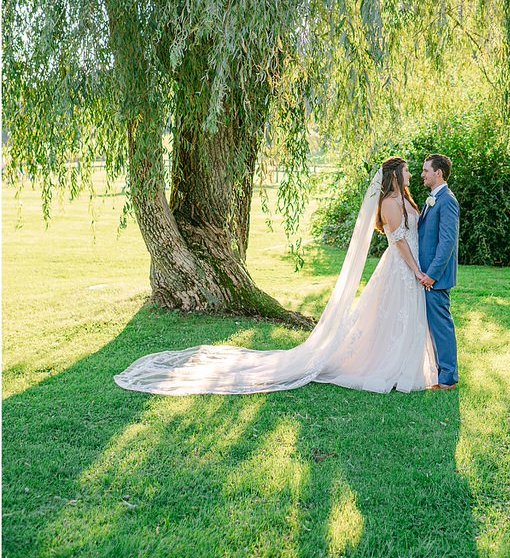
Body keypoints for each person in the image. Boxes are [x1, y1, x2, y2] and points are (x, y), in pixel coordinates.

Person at [113, 156, 449, 395]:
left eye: (414, 171)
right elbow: (399, 240)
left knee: (398, 320)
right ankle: (386, 367)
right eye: (407, 171)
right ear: (394, 176)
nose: (411, 175)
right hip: (401, 267)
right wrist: (416, 269)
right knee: (389, 319)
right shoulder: (390, 202)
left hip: (410, 270)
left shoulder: (406, 198)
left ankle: (409, 367)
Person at [418, 153, 460, 389]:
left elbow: (447, 243)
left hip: (436, 278)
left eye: (426, 170)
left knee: (441, 326)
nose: (422, 174)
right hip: (427, 275)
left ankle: (448, 378)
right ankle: (439, 373)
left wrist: (432, 274)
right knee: (435, 325)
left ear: (438, 173)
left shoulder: (447, 200)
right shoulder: (434, 198)